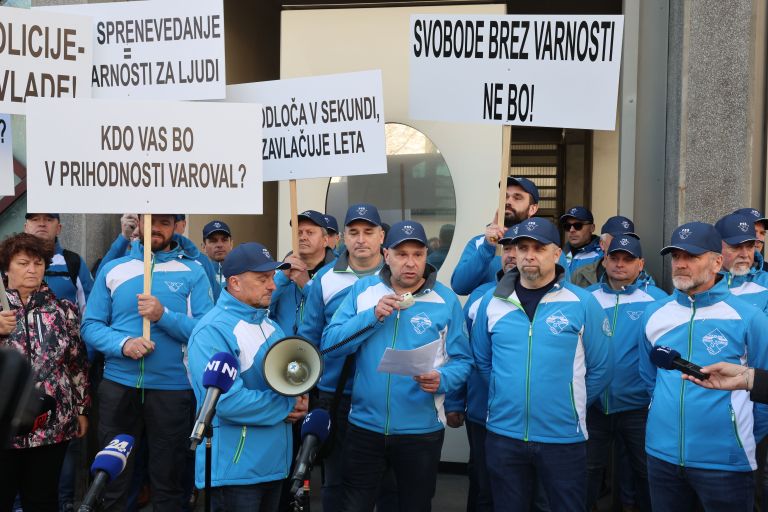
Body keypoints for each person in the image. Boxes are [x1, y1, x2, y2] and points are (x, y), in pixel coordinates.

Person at [322, 220, 473, 512]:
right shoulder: (363, 292)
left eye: (418, 254)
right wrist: (372, 316)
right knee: (355, 505)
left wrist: (442, 379)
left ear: (427, 255)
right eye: (402, 254)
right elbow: (331, 344)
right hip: (365, 426)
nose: (410, 263)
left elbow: (463, 360)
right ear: (386, 254)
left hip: (421, 431)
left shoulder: (446, 300)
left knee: (414, 506)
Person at [472, 217, 613, 512]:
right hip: (504, 434)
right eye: (522, 248)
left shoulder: (583, 303)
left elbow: (601, 368)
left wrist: (568, 405)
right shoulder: (492, 301)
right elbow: (484, 362)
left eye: (539, 248)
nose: (529, 255)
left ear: (556, 254)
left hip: (562, 437)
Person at [81, 213, 214, 511]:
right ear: (138, 223)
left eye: (165, 222)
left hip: (172, 389)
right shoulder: (114, 269)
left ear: (176, 226)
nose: (156, 227)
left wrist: (163, 316)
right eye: (150, 220)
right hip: (119, 386)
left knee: (168, 480)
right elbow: (90, 326)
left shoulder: (193, 271)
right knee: (113, 479)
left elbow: (207, 330)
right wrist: (123, 344)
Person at [639, 221, 768, 512]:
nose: (681, 264)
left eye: (692, 256)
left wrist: (740, 436)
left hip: (725, 462)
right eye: (676, 257)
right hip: (662, 456)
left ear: (717, 262)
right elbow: (650, 378)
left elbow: (763, 386)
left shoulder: (748, 318)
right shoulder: (653, 314)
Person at [187, 243, 308, 512]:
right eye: (262, 279)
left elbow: (287, 383)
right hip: (235, 471)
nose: (272, 286)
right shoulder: (211, 330)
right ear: (235, 283)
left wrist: (300, 396)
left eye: (272, 278)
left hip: (274, 466)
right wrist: (287, 405)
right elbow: (226, 401)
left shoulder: (270, 325)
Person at [298, 203, 385, 512]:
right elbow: (309, 339)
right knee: (336, 480)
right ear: (343, 238)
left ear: (381, 236)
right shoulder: (324, 279)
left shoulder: (397, 275)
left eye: (368, 232)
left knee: (383, 483)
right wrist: (304, 390)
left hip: (382, 397)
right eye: (353, 232)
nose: (361, 239)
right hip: (336, 395)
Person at [0, 233, 90, 512]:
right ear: (6, 268)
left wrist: (82, 408)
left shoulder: (64, 310)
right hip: (3, 424)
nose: (31, 269)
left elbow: (76, 363)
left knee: (42, 499)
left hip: (51, 423)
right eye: (23, 263)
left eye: (38, 263)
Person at [585, 235, 667, 512]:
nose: (620, 264)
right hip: (593, 404)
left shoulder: (657, 301)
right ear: (605, 260)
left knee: (645, 473)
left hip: (638, 407)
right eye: (614, 258)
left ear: (641, 264)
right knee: (588, 474)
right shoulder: (586, 299)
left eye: (628, 259)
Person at [445, 229, 517, 512]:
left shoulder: (555, 298)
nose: (512, 255)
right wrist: (453, 401)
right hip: (481, 409)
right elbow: (462, 354)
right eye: (507, 249)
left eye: (520, 247)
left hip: (525, 414)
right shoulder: (479, 296)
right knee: (482, 485)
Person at [450, 177, 539, 295]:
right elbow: (459, 287)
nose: (508, 202)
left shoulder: (545, 246)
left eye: (517, 198)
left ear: (532, 209)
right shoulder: (480, 242)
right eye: (505, 197)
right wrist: (487, 247)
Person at [270, 210, 335, 335]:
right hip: (282, 349)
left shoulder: (336, 273)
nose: (303, 237)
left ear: (325, 240)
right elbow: (261, 308)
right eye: (299, 233)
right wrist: (282, 278)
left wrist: (307, 286)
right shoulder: (279, 270)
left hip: (318, 351)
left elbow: (334, 317)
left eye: (310, 233)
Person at [24, 213, 93, 314]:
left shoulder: (74, 261)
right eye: (35, 219)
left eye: (48, 219)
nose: (42, 224)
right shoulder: (10, 261)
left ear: (58, 228)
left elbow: (92, 312)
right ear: (25, 227)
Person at [715, 212, 768, 311]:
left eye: (750, 246)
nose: (744, 255)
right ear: (716, 246)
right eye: (736, 247)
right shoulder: (699, 282)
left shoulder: (765, 282)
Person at [570, 215, 636, 288]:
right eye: (616, 239)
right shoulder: (580, 275)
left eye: (627, 240)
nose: (622, 243)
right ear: (602, 244)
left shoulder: (642, 277)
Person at [560, 206, 603, 279]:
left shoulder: (603, 254)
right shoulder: (560, 254)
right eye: (567, 226)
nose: (571, 230)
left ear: (592, 228)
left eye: (578, 225)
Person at [201, 220, 234, 290]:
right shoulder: (197, 273)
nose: (219, 245)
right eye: (213, 241)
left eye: (224, 240)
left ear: (231, 244)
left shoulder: (242, 272)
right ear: (204, 247)